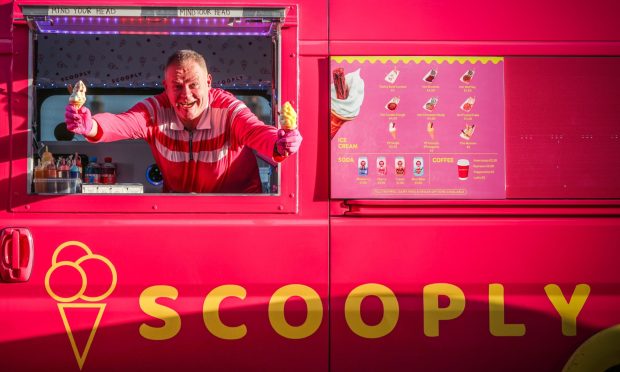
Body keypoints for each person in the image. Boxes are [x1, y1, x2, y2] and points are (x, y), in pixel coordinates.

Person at [64, 50, 302, 193]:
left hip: (237, 213)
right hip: (180, 210)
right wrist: (89, 125)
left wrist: (280, 143)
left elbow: (256, 132)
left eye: (194, 85)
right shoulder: (156, 111)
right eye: (177, 86)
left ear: (209, 83)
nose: (185, 95)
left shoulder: (228, 110)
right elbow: (121, 123)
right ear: (165, 87)